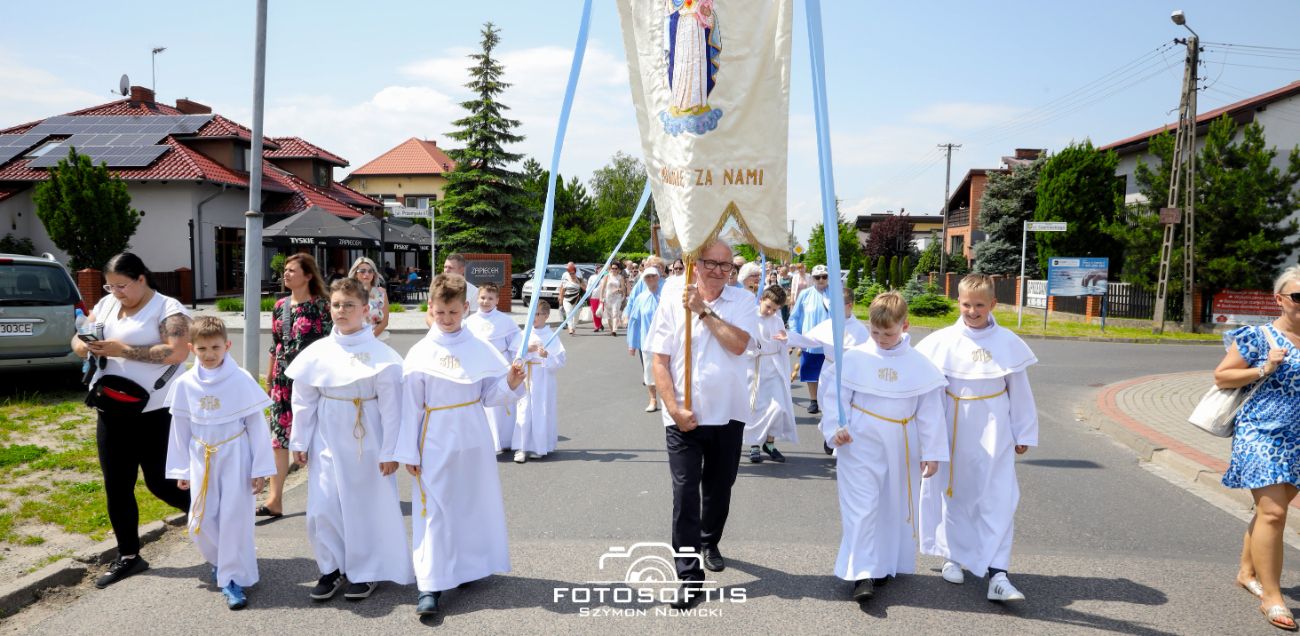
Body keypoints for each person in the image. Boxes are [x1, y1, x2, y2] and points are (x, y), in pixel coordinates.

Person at [397, 274, 527, 617]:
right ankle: (430, 583)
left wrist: (511, 381)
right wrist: (408, 451)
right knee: (434, 510)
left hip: (472, 436)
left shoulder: (478, 347)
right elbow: (410, 408)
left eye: (453, 312)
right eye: (440, 312)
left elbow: (490, 395)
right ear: (431, 308)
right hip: (434, 438)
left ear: (465, 308)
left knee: (469, 504)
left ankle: (467, 566)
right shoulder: (420, 353)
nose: (446, 319)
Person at [646, 240, 758, 610]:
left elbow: (739, 345)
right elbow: (659, 360)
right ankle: (689, 574)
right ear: (696, 262)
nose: (718, 271)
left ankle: (709, 540)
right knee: (684, 493)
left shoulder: (743, 301)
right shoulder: (672, 297)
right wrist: (673, 408)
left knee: (719, 487)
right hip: (683, 418)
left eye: (726, 265)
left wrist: (703, 311)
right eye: (711, 262)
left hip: (728, 413)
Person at [287, 277, 413, 602]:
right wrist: (299, 441)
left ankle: (367, 570)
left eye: (349, 305)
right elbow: (303, 399)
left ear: (365, 309)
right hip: (327, 437)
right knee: (323, 506)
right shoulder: (318, 353)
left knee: (364, 506)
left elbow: (392, 409)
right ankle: (332, 567)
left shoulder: (382, 356)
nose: (341, 311)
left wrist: (390, 451)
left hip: (367, 440)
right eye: (336, 305)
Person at [72, 252, 193, 589]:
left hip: (156, 411)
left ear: (142, 278)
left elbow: (177, 351)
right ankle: (128, 556)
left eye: (122, 286)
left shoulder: (168, 309)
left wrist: (121, 350)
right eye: (110, 286)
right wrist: (85, 346)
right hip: (111, 407)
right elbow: (79, 336)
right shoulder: (107, 304)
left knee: (162, 484)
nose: (116, 292)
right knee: (117, 486)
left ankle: (213, 515)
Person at [915, 273, 1038, 603]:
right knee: (953, 493)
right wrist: (926, 439)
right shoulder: (941, 342)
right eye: (966, 304)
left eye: (980, 305)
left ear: (993, 304)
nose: (972, 311)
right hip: (953, 427)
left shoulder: (1008, 343)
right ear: (958, 301)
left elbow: (1020, 392)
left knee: (999, 496)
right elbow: (926, 395)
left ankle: (999, 574)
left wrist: (1023, 431)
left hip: (995, 429)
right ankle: (952, 556)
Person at [822, 292, 947, 602]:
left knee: (892, 506)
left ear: (905, 326)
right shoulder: (854, 359)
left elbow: (930, 412)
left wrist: (932, 452)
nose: (881, 339)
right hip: (859, 443)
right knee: (862, 507)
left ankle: (882, 565)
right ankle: (861, 573)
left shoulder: (919, 365)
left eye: (888, 333)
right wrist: (837, 428)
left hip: (902, 444)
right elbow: (836, 398)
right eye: (875, 332)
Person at [164, 317, 275, 610]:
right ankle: (219, 561)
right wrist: (181, 469)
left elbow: (257, 426)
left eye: (215, 347)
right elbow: (180, 429)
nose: (209, 354)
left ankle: (232, 578)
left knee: (234, 518)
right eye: (202, 349)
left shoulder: (241, 380)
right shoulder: (185, 384)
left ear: (227, 345)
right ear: (192, 349)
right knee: (199, 522)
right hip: (201, 458)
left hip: (236, 456)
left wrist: (260, 468)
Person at [1215, 265, 1300, 631]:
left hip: (1298, 439)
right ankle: (1272, 597)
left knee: (1269, 510)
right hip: (1261, 433)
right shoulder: (1258, 336)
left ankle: (1247, 572)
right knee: (1275, 513)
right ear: (1280, 300)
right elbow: (1222, 376)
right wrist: (1265, 367)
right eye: (1298, 296)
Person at [263, 253, 332, 519]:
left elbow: (332, 343)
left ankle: (325, 497)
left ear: (308, 275)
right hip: (283, 381)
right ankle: (274, 499)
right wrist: (269, 378)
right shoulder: (280, 306)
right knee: (279, 439)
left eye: (292, 270)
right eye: (285, 270)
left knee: (316, 438)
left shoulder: (323, 305)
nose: (286, 274)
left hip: (313, 382)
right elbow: (275, 343)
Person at [466, 283, 522, 453]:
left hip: (500, 368)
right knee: (483, 406)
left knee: (500, 406)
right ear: (477, 298)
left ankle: (504, 440)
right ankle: (487, 441)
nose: (486, 301)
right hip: (479, 369)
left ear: (497, 300)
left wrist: (516, 359)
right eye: (483, 297)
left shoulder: (505, 321)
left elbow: (516, 342)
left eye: (490, 298)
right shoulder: (469, 322)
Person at [744, 287, 797, 463]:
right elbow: (743, 343)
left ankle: (770, 443)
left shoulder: (777, 320)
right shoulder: (749, 317)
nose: (770, 312)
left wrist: (785, 341)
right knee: (756, 407)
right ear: (761, 299)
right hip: (755, 367)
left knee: (778, 408)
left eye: (774, 309)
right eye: (768, 307)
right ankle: (755, 445)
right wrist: (753, 351)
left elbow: (782, 341)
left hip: (774, 368)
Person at [513, 301, 567, 463]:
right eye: (532, 314)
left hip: (543, 378)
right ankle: (521, 448)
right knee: (523, 412)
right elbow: (514, 357)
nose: (534, 318)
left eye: (537, 314)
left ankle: (539, 446)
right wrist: (526, 351)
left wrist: (547, 356)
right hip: (525, 377)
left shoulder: (551, 336)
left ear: (546, 316)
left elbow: (560, 361)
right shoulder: (523, 334)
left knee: (540, 411)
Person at [788, 264, 832, 413]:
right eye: (817, 277)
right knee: (811, 372)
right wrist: (796, 336)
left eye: (824, 276)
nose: (821, 280)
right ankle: (814, 400)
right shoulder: (805, 294)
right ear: (812, 278)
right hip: (810, 342)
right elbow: (794, 317)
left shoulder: (835, 294)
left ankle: (827, 400)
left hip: (829, 343)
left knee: (829, 373)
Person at [626, 267, 664, 412]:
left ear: (658, 277)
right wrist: (632, 344)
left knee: (667, 371)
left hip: (665, 341)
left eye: (653, 276)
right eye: (647, 277)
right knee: (649, 372)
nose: (650, 279)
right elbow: (634, 320)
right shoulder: (641, 298)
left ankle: (668, 400)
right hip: (647, 341)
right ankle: (653, 399)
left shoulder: (666, 295)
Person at [426, 253, 477, 328]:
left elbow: (475, 319)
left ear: (462, 270)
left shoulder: (474, 292)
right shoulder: (436, 288)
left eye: (450, 267)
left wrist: (455, 332)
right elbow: (429, 315)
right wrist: (439, 330)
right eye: (445, 267)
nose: (446, 270)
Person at [350, 257, 390, 341]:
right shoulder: (349, 294)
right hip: (354, 339)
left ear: (374, 274)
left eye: (370, 271)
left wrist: (369, 339)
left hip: (377, 339)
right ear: (356, 274)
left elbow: (384, 322)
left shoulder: (381, 292)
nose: (367, 274)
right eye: (362, 271)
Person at [602, 263, 628, 337]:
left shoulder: (620, 277)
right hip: (608, 297)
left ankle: (614, 330)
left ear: (618, 269)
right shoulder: (607, 276)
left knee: (615, 313)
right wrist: (601, 297)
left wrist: (619, 290)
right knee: (609, 315)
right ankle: (611, 329)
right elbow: (603, 287)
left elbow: (623, 287)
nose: (614, 270)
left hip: (617, 297)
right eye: (612, 268)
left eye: (615, 268)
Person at [559, 262, 585, 336]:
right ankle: (570, 328)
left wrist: (579, 283)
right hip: (567, 299)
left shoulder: (579, 279)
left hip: (577, 300)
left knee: (576, 316)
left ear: (575, 273)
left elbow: (585, 288)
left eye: (573, 273)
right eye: (570, 273)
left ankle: (573, 327)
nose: (572, 275)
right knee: (568, 312)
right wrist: (561, 298)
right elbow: (562, 289)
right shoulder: (566, 280)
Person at [589, 265, 606, 333]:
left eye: (602, 270)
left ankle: (598, 325)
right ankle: (598, 325)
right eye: (599, 269)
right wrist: (588, 294)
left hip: (602, 297)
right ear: (597, 270)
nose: (601, 271)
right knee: (594, 311)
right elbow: (589, 286)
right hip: (593, 296)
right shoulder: (592, 277)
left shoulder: (605, 277)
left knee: (599, 311)